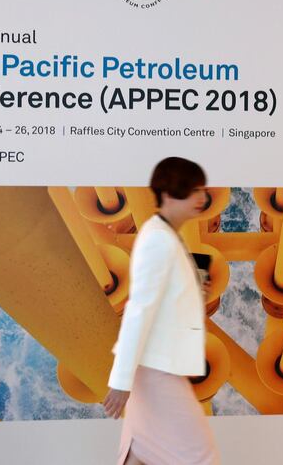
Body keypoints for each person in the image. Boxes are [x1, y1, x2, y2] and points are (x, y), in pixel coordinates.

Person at [103, 157, 220, 465]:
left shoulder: (166, 236)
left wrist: (194, 291)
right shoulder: (158, 239)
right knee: (200, 457)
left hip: (155, 367)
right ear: (169, 194)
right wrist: (120, 381)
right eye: (194, 190)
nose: (202, 198)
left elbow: (160, 301)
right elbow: (138, 310)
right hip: (157, 370)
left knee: (140, 455)